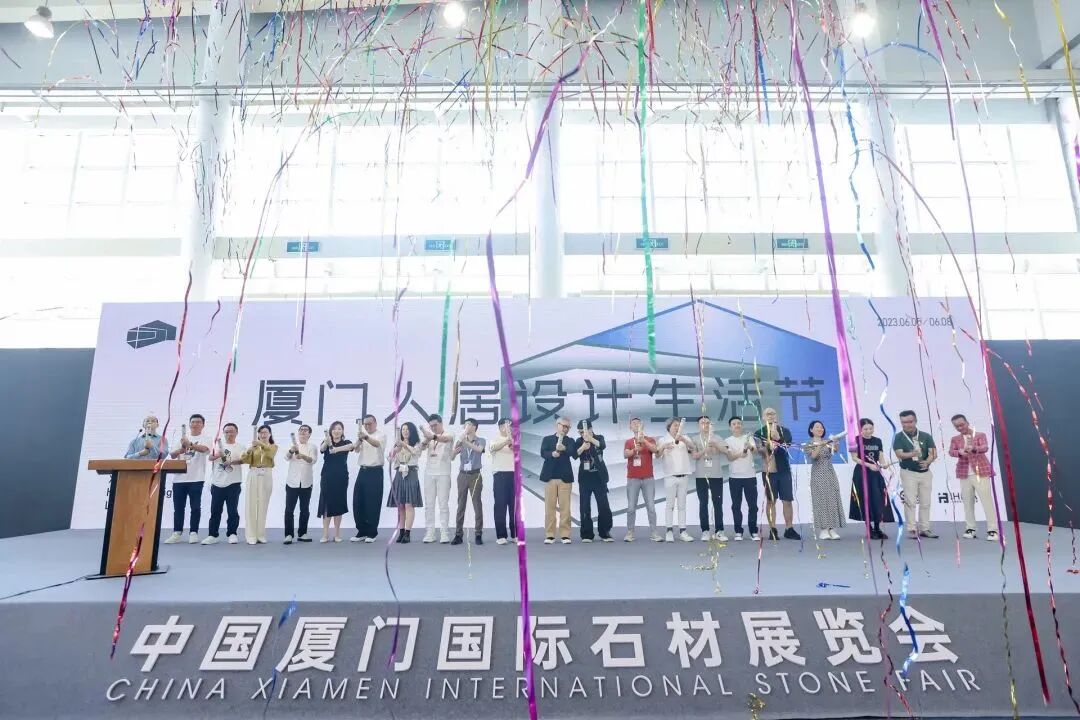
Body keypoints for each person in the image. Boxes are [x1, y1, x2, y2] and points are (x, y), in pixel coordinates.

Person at [948, 413, 999, 542]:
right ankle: (970, 528)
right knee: (967, 502)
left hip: (981, 472)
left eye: (962, 424)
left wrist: (974, 448)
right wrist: (959, 452)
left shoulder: (980, 435)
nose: (960, 428)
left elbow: (985, 447)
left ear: (967, 422)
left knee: (987, 502)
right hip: (964, 473)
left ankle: (993, 530)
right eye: (957, 426)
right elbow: (951, 451)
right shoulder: (955, 439)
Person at [162, 414, 209, 544]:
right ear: (189, 424)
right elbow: (172, 455)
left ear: (203, 425)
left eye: (198, 422)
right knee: (178, 508)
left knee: (195, 507)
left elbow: (204, 449)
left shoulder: (206, 438)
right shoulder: (181, 438)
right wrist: (182, 449)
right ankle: (177, 533)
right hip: (179, 479)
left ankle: (193, 532)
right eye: (193, 422)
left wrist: (190, 445)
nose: (195, 424)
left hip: (196, 478)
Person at [754, 407, 800, 541]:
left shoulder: (785, 430)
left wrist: (777, 437)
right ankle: (772, 529)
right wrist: (768, 447)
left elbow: (788, 445)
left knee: (787, 500)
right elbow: (758, 450)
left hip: (784, 470)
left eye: (773, 413)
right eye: (767, 414)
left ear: (776, 416)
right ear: (763, 417)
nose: (770, 416)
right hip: (769, 471)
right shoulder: (759, 433)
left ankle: (789, 529)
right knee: (771, 500)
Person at [893, 410, 938, 539]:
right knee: (910, 502)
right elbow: (899, 454)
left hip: (925, 473)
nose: (907, 424)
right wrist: (913, 454)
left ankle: (925, 528)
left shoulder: (925, 436)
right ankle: (912, 528)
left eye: (910, 421)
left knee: (926, 502)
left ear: (916, 421)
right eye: (904, 422)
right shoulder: (899, 437)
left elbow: (933, 453)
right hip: (909, 472)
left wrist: (928, 461)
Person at [848, 418, 894, 540]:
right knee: (865, 500)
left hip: (875, 474)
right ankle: (869, 529)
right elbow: (855, 458)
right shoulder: (855, 440)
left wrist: (884, 464)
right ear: (860, 429)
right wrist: (869, 465)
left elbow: (880, 457)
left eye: (871, 428)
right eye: (865, 429)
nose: (868, 431)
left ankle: (877, 528)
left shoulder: (877, 441)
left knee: (878, 500)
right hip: (861, 473)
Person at [203, 423, 243, 545]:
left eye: (231, 431)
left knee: (232, 511)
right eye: (226, 431)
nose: (229, 434)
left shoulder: (240, 446)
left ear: (236, 432)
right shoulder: (217, 445)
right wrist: (218, 455)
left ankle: (232, 533)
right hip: (217, 483)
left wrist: (231, 462)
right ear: (224, 433)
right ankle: (213, 535)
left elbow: (243, 460)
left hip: (233, 483)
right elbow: (210, 458)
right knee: (215, 511)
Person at [623, 417, 661, 542]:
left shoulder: (649, 439)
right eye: (633, 423)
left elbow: (655, 450)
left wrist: (643, 440)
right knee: (631, 507)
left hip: (648, 478)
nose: (636, 425)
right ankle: (630, 532)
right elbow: (625, 454)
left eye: (638, 423)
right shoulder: (629, 442)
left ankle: (654, 532)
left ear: (642, 426)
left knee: (651, 506)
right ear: (630, 427)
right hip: (633, 478)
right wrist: (635, 450)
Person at [656, 417, 694, 543]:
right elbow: (657, 455)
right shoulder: (663, 439)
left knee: (682, 505)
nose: (677, 427)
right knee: (670, 505)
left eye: (678, 425)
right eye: (675, 425)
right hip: (670, 476)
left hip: (684, 475)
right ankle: (669, 531)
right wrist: (664, 447)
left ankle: (683, 531)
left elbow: (693, 448)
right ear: (669, 427)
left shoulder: (685, 437)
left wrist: (684, 440)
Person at [575, 420, 613, 543]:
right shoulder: (579, 441)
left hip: (599, 477)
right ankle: (587, 534)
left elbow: (602, 445)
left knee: (603, 505)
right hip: (585, 478)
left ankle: (605, 532)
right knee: (584, 506)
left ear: (590, 429)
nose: (582, 434)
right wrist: (583, 447)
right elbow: (575, 455)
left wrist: (590, 439)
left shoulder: (599, 437)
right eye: (580, 432)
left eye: (584, 431)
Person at [806, 420, 845, 540]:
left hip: (830, 473)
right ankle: (823, 530)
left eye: (821, 427)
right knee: (821, 501)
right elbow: (813, 456)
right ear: (811, 430)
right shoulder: (809, 444)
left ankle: (832, 529)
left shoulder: (827, 442)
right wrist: (820, 445)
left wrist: (836, 441)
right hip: (818, 474)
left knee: (832, 499)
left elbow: (836, 450)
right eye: (817, 427)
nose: (820, 429)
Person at [419, 414, 455, 544]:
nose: (433, 428)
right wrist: (426, 439)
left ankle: (444, 532)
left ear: (441, 423)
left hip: (443, 473)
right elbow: (421, 447)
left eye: (435, 425)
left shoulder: (449, 433)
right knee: (429, 505)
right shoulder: (429, 437)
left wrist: (432, 436)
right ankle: (430, 532)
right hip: (429, 473)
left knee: (443, 504)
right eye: (431, 426)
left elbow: (445, 439)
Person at [692, 416, 728, 542]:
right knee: (703, 503)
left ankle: (719, 531)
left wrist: (716, 444)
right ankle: (705, 531)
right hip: (701, 476)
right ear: (698, 425)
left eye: (707, 423)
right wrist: (705, 450)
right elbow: (694, 456)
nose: (705, 425)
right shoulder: (694, 439)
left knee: (718, 503)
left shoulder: (717, 437)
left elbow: (726, 451)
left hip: (716, 475)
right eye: (703, 423)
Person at [539, 417, 575, 544]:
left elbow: (573, 452)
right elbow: (543, 453)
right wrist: (552, 454)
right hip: (550, 477)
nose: (565, 429)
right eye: (563, 426)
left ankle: (565, 535)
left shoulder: (570, 440)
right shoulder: (547, 439)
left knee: (565, 508)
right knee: (550, 508)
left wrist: (564, 448)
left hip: (565, 478)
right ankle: (550, 534)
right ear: (557, 425)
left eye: (568, 427)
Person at [451, 418, 487, 546]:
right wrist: (455, 450)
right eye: (465, 424)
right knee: (461, 504)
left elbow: (479, 450)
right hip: (462, 475)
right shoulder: (460, 440)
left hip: (475, 475)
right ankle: (458, 534)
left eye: (469, 424)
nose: (466, 426)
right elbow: (451, 457)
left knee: (477, 504)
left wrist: (464, 441)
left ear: (474, 427)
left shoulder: (481, 440)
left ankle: (478, 534)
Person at [240, 425, 277, 545]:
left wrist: (260, 444)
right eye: (261, 433)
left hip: (266, 474)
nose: (263, 435)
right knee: (251, 504)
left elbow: (270, 455)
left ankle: (260, 535)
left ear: (270, 434)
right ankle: (251, 535)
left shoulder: (273, 446)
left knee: (263, 504)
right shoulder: (254, 447)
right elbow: (245, 460)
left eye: (265, 432)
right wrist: (249, 450)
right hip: (253, 473)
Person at [388, 422, 423, 543]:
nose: (405, 431)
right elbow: (389, 459)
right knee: (401, 505)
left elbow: (416, 453)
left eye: (407, 429)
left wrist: (404, 445)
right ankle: (401, 531)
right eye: (403, 429)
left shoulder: (417, 443)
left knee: (409, 505)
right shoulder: (397, 444)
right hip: (399, 474)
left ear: (412, 431)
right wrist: (395, 450)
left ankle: (408, 533)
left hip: (411, 473)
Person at [352, 415, 386, 543]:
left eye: (369, 423)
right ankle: (361, 531)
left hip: (375, 471)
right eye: (365, 424)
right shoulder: (362, 435)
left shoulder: (381, 435)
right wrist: (359, 440)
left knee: (373, 502)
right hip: (363, 471)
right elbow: (355, 450)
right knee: (358, 502)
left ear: (375, 423)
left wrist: (365, 437)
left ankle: (372, 533)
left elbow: (377, 444)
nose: (367, 426)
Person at [725, 416, 759, 541]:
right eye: (734, 424)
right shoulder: (727, 441)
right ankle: (738, 531)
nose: (737, 425)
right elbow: (729, 457)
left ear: (742, 425)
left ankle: (753, 531)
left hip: (750, 476)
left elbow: (755, 452)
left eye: (739, 423)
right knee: (736, 505)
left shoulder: (749, 438)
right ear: (730, 427)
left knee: (753, 506)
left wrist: (750, 447)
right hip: (735, 477)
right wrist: (742, 453)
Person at [319, 421, 353, 543]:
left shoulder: (346, 442)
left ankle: (337, 534)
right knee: (326, 504)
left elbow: (351, 447)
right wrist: (327, 442)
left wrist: (336, 449)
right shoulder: (326, 441)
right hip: (327, 477)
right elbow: (322, 449)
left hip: (341, 477)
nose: (336, 431)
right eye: (334, 429)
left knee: (338, 504)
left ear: (342, 431)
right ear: (330, 431)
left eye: (339, 429)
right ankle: (325, 534)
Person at [283, 424, 317, 544]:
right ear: (298, 433)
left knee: (304, 510)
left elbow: (312, 460)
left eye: (305, 430)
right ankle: (288, 535)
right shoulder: (292, 445)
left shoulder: (312, 447)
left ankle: (302, 533)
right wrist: (291, 451)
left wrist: (302, 456)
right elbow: (286, 458)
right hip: (292, 482)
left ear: (309, 434)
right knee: (289, 510)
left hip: (306, 482)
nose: (303, 432)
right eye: (301, 430)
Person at [489, 417, 517, 545]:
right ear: (501, 427)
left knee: (514, 506)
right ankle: (501, 535)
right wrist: (506, 441)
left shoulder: (515, 439)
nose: (509, 428)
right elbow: (493, 448)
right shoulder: (495, 438)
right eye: (507, 425)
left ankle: (515, 534)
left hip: (513, 474)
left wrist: (513, 445)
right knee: (500, 505)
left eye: (510, 425)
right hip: (500, 474)